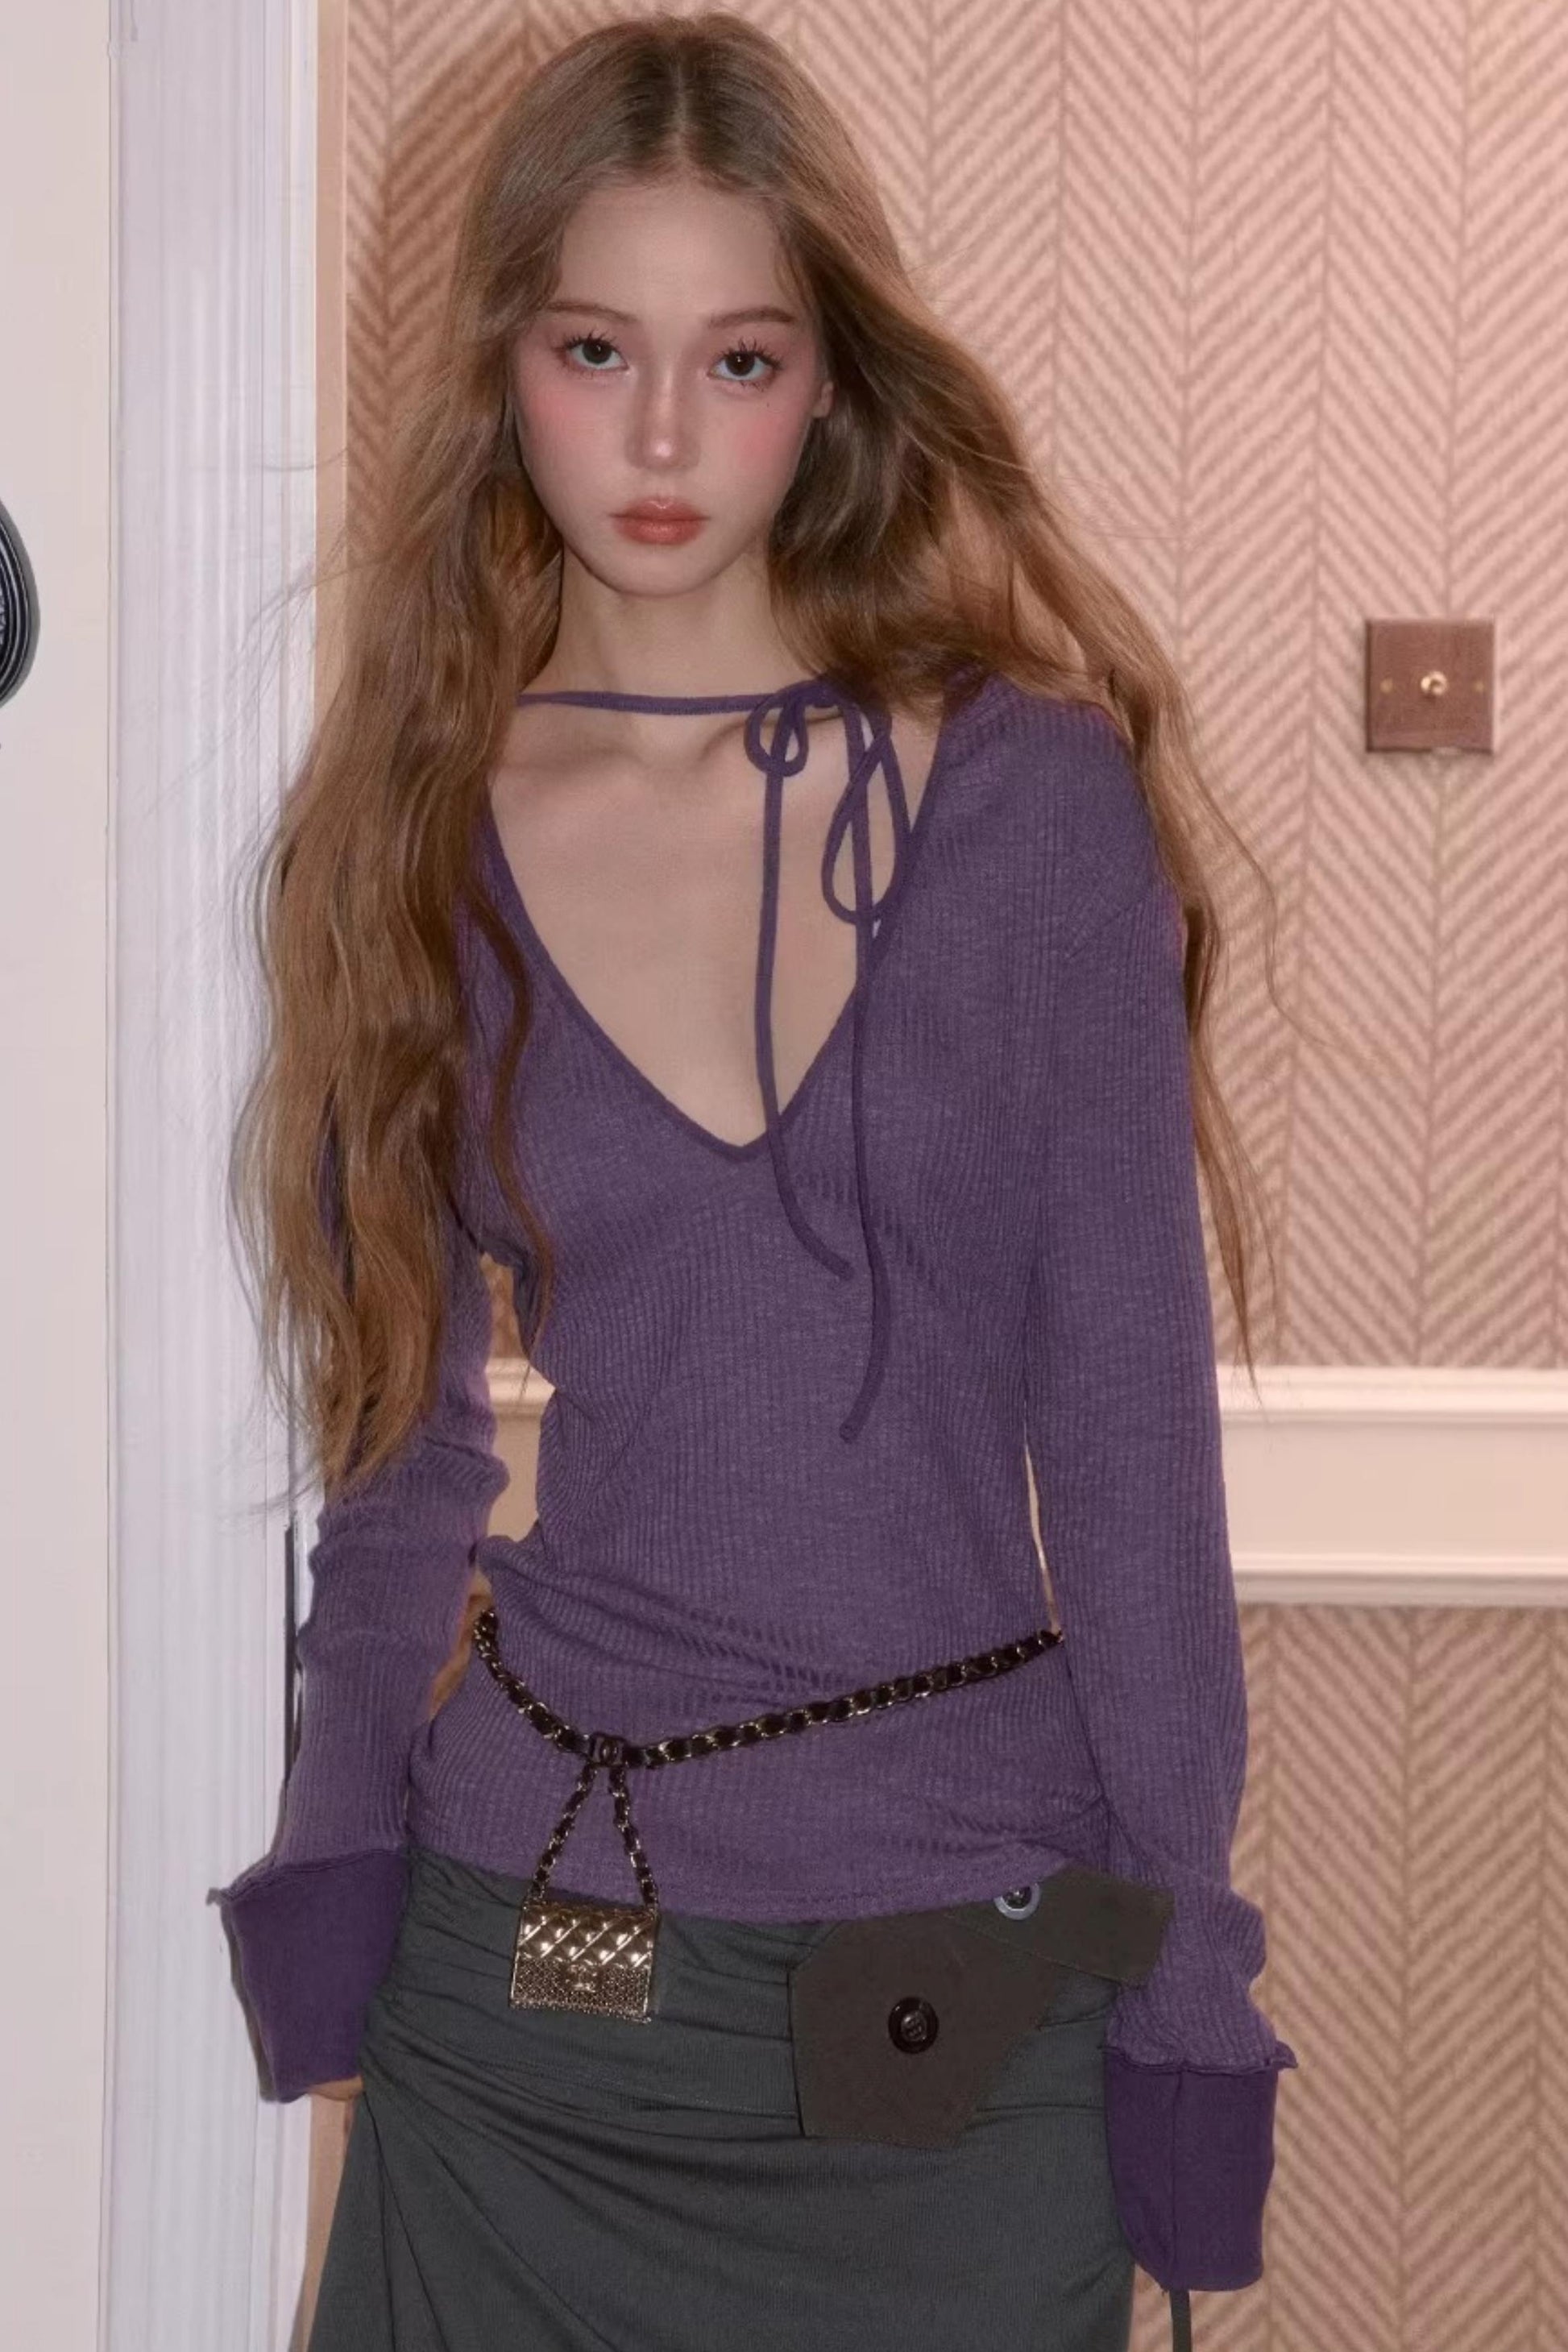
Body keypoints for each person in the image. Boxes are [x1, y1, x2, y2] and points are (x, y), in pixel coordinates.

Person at [215, 14, 1298, 2350]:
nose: (663, 439)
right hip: (526, 1985)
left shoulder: (1030, 806)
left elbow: (1130, 1462)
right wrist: (337, 1850)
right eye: (595, 349)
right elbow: (397, 1454)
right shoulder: (415, 839)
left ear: (832, 388)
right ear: (504, 370)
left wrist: (1188, 1984)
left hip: (954, 1994)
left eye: (740, 358)